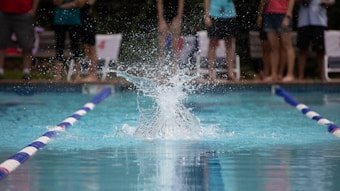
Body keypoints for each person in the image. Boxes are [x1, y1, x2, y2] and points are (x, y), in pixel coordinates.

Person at [59, 0, 98, 82]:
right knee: (87, 50)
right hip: (81, 22)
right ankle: (90, 74)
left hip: (88, 22)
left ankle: (93, 75)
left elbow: (79, 3)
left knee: (92, 49)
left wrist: (63, 6)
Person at [0, 0, 40, 80]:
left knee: (27, 44)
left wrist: (33, 10)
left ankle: (26, 72)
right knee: (1, 43)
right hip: (3, 13)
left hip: (24, 13)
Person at [257, 0, 296, 82]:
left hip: (283, 13)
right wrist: (260, 14)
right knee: (273, 47)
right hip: (269, 14)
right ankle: (273, 74)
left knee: (287, 45)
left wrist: (288, 15)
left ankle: (290, 74)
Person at [296, 0, 334, 80]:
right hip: (303, 21)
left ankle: (322, 75)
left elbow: (331, 2)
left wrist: (324, 3)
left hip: (319, 21)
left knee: (320, 50)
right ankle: (300, 76)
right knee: (302, 49)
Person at [203, 0, 238, 82]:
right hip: (214, 13)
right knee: (212, 43)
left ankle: (230, 72)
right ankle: (211, 73)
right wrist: (207, 15)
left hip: (230, 13)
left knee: (230, 43)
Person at [53, 0, 82, 81]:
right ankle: (58, 74)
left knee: (76, 48)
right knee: (59, 47)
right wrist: (71, 4)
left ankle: (77, 75)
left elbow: (80, 3)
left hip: (74, 20)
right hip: (59, 20)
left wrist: (63, 6)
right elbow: (56, 2)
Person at [156, 0, 185, 74]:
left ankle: (174, 69)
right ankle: (161, 69)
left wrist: (179, 17)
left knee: (175, 45)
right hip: (164, 14)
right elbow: (159, 2)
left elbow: (181, 2)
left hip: (175, 14)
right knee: (162, 45)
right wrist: (161, 19)